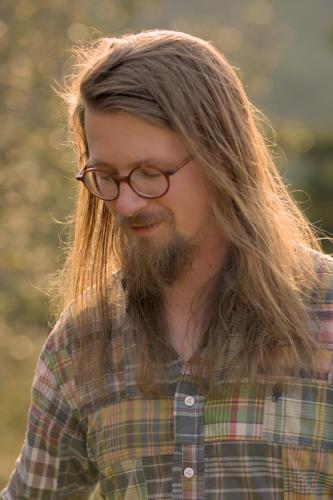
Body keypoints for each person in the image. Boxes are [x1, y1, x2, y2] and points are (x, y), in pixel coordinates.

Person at [1, 29, 333, 499]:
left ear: (222, 156)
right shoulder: (80, 347)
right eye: (106, 177)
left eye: (150, 174)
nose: (128, 203)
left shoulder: (327, 313)